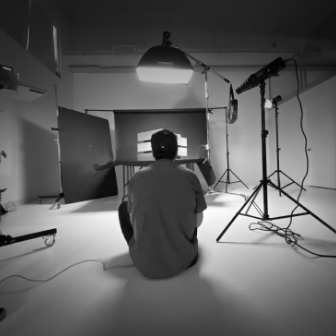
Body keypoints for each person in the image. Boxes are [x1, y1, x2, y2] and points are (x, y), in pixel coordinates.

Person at [118, 129, 207, 279]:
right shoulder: (190, 176)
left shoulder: (137, 177)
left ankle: (142, 249)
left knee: (123, 208)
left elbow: (134, 221)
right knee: (191, 210)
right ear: (176, 150)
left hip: (144, 264)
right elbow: (198, 223)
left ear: (153, 151)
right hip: (187, 261)